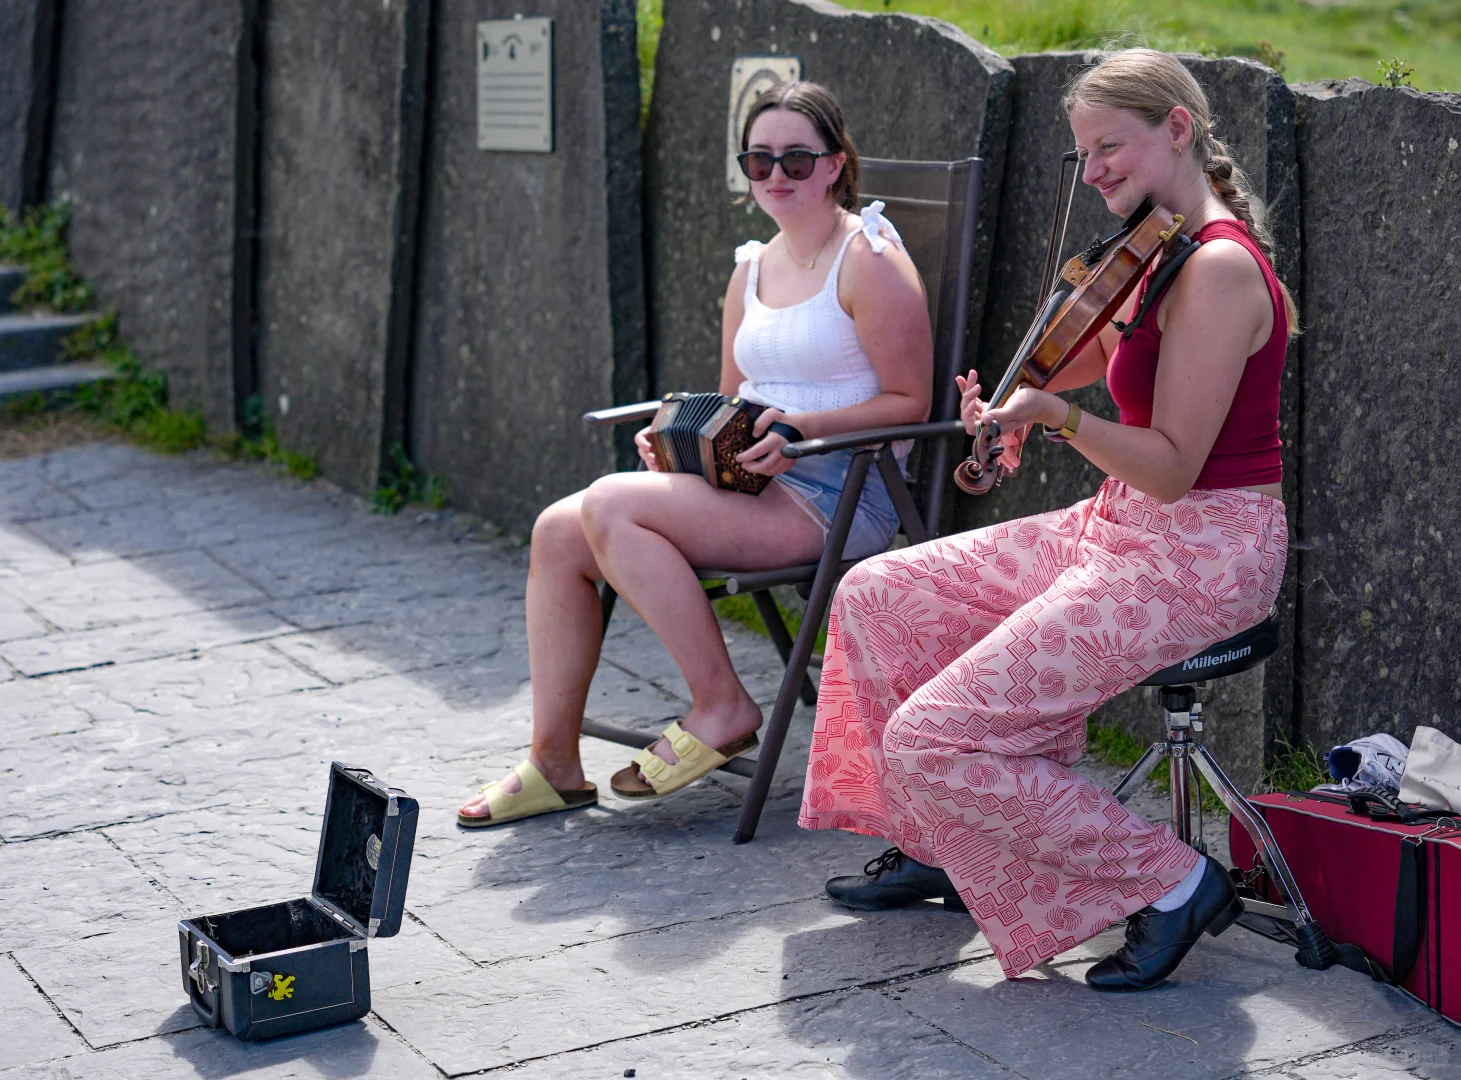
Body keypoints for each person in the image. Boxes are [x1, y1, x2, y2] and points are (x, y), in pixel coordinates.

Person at [802, 48, 1298, 992]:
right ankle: (938, 841)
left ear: (1177, 129)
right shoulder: (1158, 249)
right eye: (1083, 154)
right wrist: (1018, 391)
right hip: (1119, 527)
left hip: (1201, 552)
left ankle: (1174, 882)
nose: (1096, 168)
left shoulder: (1220, 271)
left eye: (1111, 146)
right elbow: (1105, 353)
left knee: (934, 737)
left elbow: (1171, 466)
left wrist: (1056, 420)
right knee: (876, 592)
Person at [457, 81, 932, 826]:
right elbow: (728, 398)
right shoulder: (751, 267)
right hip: (752, 479)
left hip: (842, 489)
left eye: (798, 160)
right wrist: (678, 437)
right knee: (558, 528)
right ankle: (553, 760)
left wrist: (799, 427)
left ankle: (721, 703)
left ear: (835, 164)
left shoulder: (868, 258)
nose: (777, 175)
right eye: (759, 159)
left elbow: (911, 403)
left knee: (611, 503)